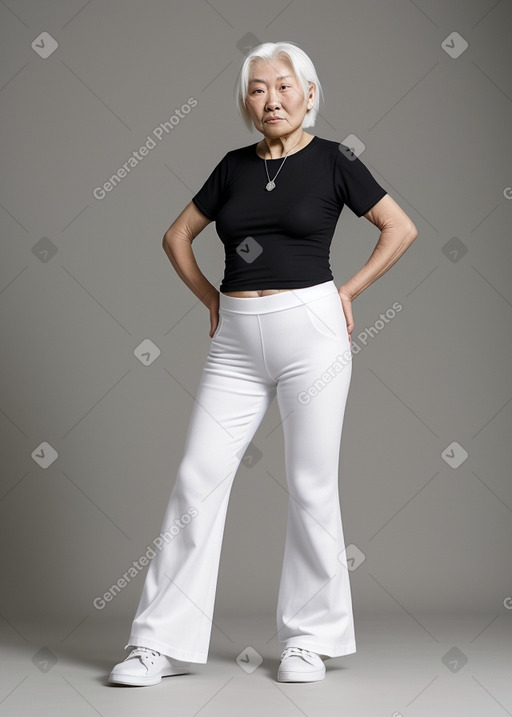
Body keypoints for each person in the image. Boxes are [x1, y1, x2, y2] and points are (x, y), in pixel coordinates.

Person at [108, 40, 417, 687]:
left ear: (309, 93)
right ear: (246, 102)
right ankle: (156, 642)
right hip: (237, 340)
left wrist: (349, 291)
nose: (270, 99)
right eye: (257, 89)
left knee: (311, 484)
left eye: (283, 86)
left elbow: (400, 227)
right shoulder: (233, 167)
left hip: (313, 331)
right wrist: (212, 301)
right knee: (196, 480)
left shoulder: (336, 161)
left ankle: (310, 638)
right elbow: (175, 237)